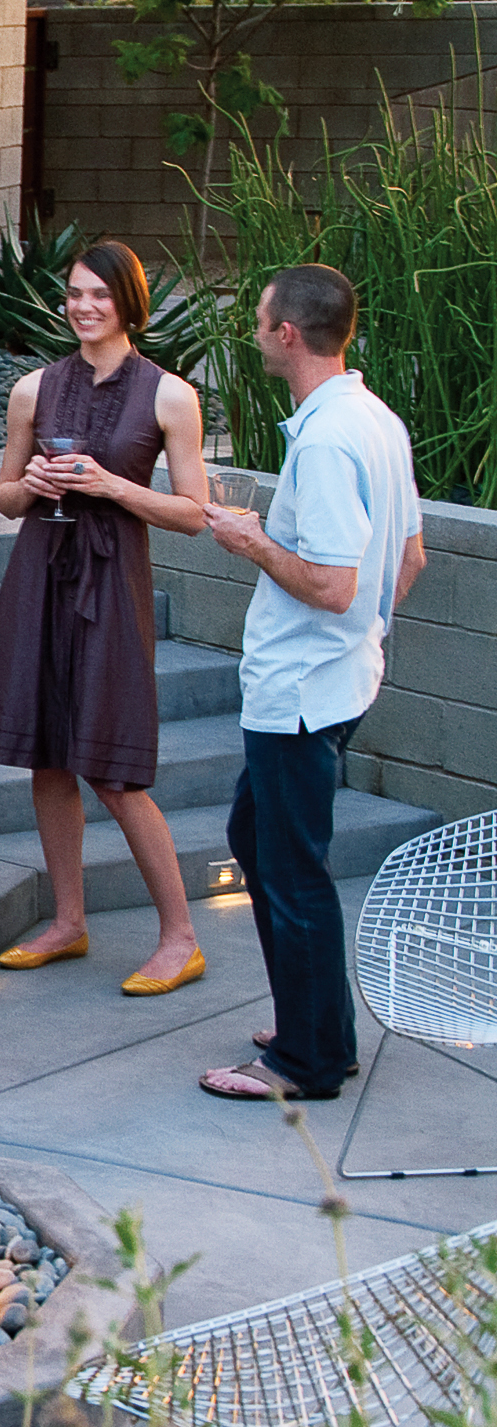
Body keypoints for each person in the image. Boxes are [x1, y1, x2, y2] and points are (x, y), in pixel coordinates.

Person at [197, 265, 423, 1105]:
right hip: (339, 680)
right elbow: (409, 557)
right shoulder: (376, 421)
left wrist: (251, 540)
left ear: (287, 333)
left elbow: (331, 583)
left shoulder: (328, 441)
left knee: (290, 872)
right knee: (258, 840)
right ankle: (317, 1027)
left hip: (300, 694)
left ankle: (305, 1064)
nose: (256, 330)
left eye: (260, 319)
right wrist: (361, 633)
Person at [0, 237, 212, 995]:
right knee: (48, 754)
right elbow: (5, 497)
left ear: (128, 302)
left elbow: (193, 513)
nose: (83, 307)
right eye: (74, 294)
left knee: (112, 770)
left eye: (98, 295)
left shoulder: (169, 394)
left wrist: (112, 486)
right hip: (40, 577)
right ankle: (69, 921)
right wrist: (36, 484)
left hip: (112, 588)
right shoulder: (33, 389)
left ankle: (180, 937)